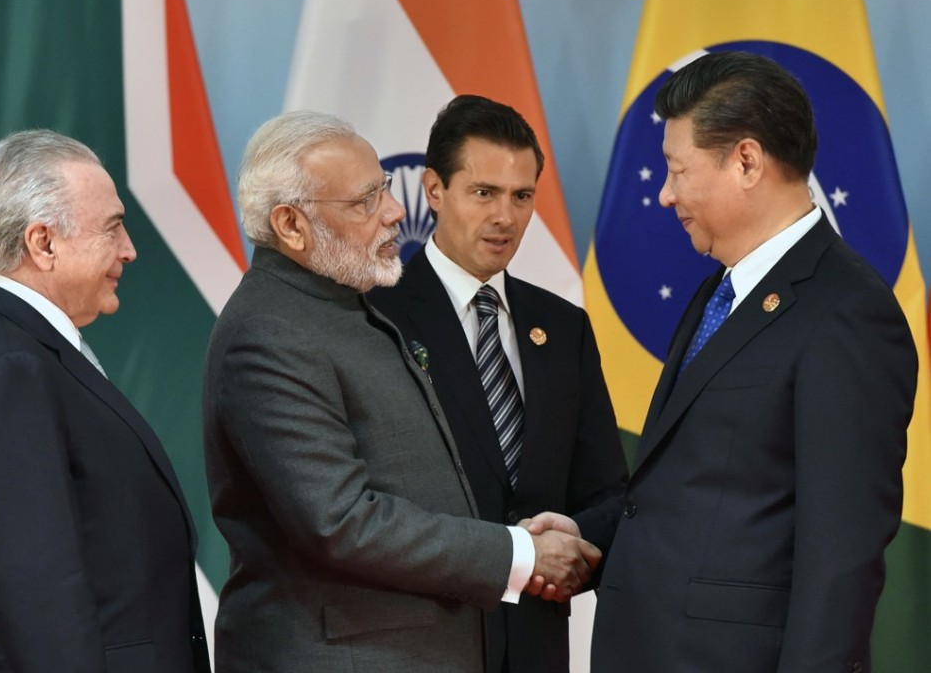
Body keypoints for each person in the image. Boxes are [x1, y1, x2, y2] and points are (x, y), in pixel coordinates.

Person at [202, 110, 602, 673]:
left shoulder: (345, 305)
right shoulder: (269, 333)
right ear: (291, 225)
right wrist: (522, 552)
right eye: (366, 200)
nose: (395, 213)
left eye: (385, 190)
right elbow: (339, 521)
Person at [582, 51, 917, 672]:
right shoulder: (718, 290)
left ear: (746, 161)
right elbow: (695, 488)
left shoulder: (848, 312)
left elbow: (840, 559)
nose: (664, 194)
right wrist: (582, 537)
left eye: (676, 170)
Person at [0, 129, 210, 673]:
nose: (129, 248)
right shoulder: (10, 366)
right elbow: (40, 596)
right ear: (44, 243)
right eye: (113, 227)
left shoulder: (24, 348)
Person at [368, 94, 628, 673]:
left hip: (537, 644)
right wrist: (515, 556)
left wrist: (569, 542)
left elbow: (611, 494)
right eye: (484, 193)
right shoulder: (372, 318)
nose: (505, 217)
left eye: (522, 196)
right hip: (421, 647)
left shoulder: (564, 328)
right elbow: (366, 512)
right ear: (434, 190)